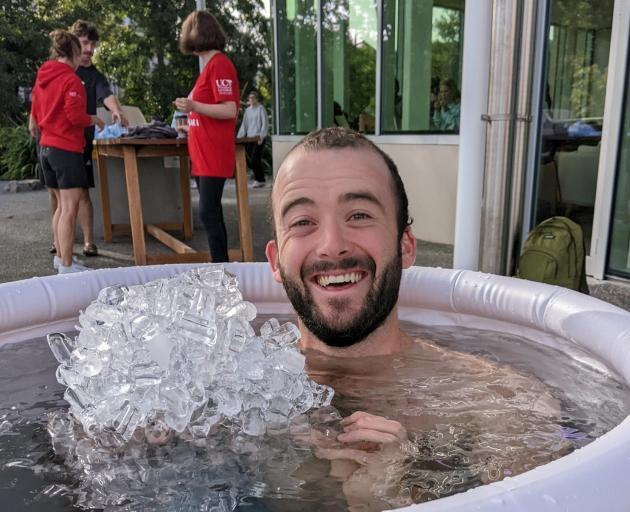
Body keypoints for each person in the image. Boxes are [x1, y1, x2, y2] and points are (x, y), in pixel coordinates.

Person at [265, 127, 564, 509]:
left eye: (358, 215)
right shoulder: (221, 394)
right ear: (275, 261)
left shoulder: (499, 402)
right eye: (303, 222)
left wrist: (388, 500)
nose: (332, 245)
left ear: (405, 246)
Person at [30, 30, 104, 274]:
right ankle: (66, 266)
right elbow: (74, 116)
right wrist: (93, 119)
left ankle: (62, 258)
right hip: (65, 149)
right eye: (80, 52)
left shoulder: (43, 76)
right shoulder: (71, 80)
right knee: (70, 209)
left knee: (61, 207)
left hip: (46, 148)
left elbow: (36, 112)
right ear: (72, 53)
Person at [174, 10, 240, 263]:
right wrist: (192, 124)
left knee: (208, 213)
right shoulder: (210, 66)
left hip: (213, 152)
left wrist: (194, 108)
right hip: (203, 152)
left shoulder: (220, 65)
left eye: (187, 30)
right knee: (210, 213)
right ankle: (220, 265)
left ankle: (220, 266)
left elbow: (229, 109)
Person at [237, 90, 268, 188]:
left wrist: (261, 136)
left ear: (256, 99)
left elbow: (265, 123)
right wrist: (239, 137)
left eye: (253, 98)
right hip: (249, 139)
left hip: (258, 138)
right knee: (252, 161)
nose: (251, 100)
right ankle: (261, 179)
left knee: (255, 160)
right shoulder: (247, 110)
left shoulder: (261, 109)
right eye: (250, 98)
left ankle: (259, 180)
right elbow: (244, 125)